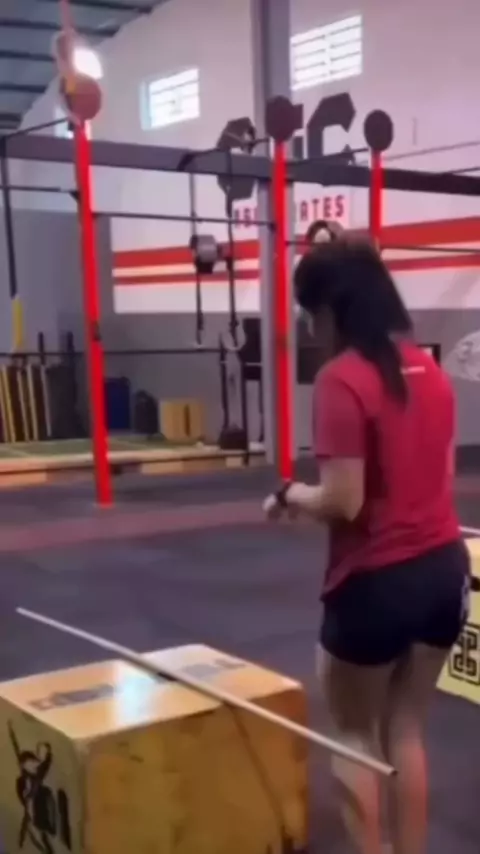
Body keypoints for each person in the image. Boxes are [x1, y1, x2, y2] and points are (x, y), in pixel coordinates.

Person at [263, 238, 471, 854]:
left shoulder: (341, 379)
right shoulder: (430, 372)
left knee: (354, 737)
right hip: (444, 572)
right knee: (406, 730)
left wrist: (289, 495)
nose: (309, 328)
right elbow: (434, 475)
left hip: (377, 584)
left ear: (333, 310)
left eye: (310, 314)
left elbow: (343, 500)